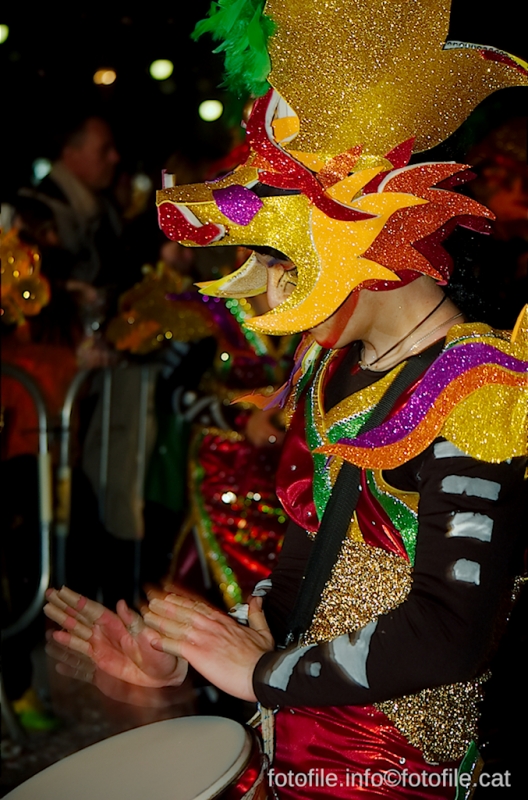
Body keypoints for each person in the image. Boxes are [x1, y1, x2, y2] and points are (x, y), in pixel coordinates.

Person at [44, 1, 528, 797]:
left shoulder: (481, 387)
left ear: (374, 223)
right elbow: (303, 573)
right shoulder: (325, 370)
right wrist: (194, 657)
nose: (268, 294)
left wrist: (262, 673)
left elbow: (451, 631)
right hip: (290, 755)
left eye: (282, 258)